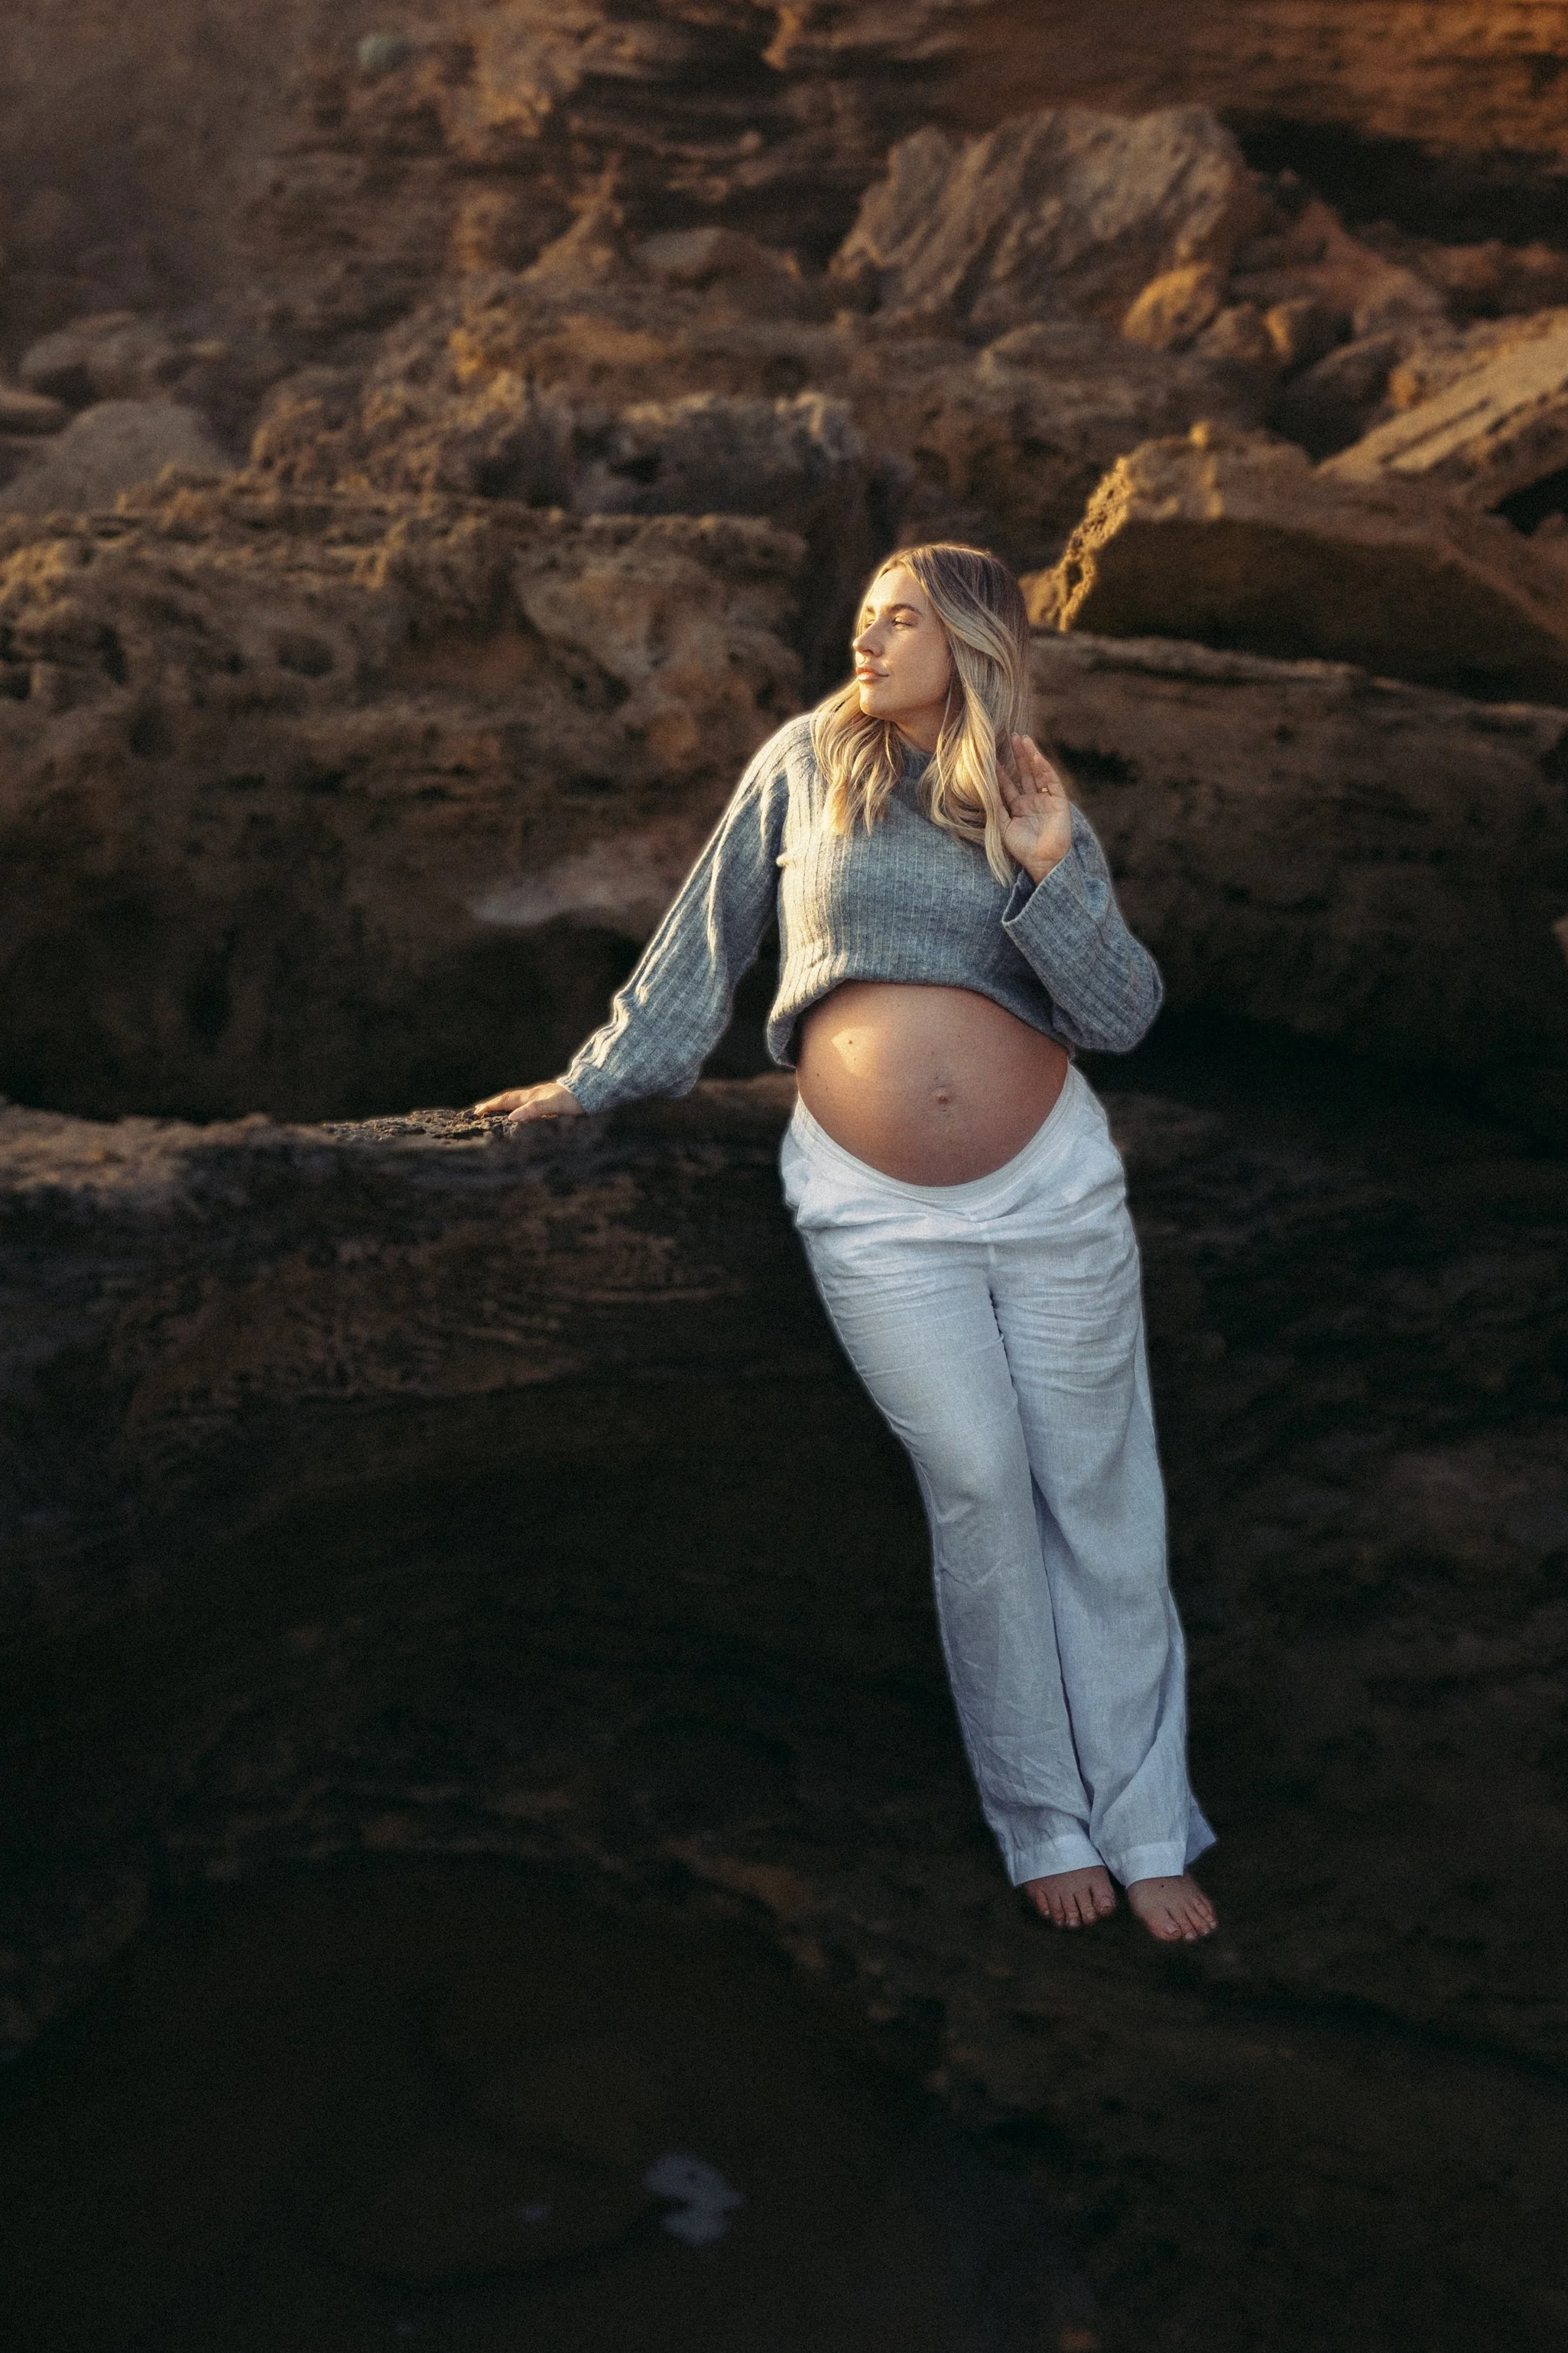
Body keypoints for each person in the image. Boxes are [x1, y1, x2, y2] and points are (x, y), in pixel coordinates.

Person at [477, 542, 1217, 1942]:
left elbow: (1121, 1013)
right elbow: (705, 937)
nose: (864, 642)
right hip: (878, 1212)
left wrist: (1052, 870)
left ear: (977, 644)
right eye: (863, 618)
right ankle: (1043, 1819)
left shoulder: (1028, 791)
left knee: (1106, 1506)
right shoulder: (808, 759)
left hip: (1053, 1191)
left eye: (898, 622)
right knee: (984, 1484)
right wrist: (591, 1077)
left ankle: (1148, 1821)